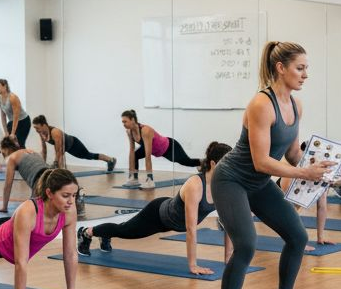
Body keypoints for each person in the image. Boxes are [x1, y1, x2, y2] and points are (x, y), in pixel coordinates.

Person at [210, 41, 333, 289]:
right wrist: (304, 174)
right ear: (281, 68)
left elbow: (291, 153)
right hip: (232, 180)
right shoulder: (261, 105)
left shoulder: (296, 105)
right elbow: (261, 160)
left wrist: (319, 171)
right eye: (300, 68)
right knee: (246, 245)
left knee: (296, 236)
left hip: (259, 183)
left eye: (307, 68)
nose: (306, 74)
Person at [78, 142, 231, 275]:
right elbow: (191, 229)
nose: (230, 168)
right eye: (226, 163)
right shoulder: (196, 185)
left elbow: (230, 224)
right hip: (157, 215)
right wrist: (193, 265)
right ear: (212, 163)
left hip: (172, 221)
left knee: (122, 230)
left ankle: (105, 234)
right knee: (124, 231)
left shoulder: (224, 186)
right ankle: (87, 232)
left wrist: (228, 258)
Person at [119, 109, 200, 190]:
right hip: (156, 150)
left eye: (125, 121)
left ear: (132, 119)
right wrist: (131, 173)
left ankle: (201, 162)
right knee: (135, 155)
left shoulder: (145, 130)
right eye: (122, 122)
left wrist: (150, 177)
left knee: (186, 162)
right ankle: (134, 178)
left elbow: (148, 156)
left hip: (169, 147)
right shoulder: (129, 132)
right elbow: (131, 151)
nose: (123, 124)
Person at [32, 115, 116, 172]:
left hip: (74, 144)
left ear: (44, 125)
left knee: (88, 155)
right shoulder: (41, 133)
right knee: (59, 160)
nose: (36, 130)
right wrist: (43, 164)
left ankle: (110, 160)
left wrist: (55, 163)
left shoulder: (55, 132)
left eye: (37, 128)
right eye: (35, 128)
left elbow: (59, 150)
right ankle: (61, 176)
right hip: (66, 148)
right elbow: (44, 149)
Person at [0, 136, 52, 214]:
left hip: (41, 181)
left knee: (31, 212)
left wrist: (4, 207)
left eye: (3, 152)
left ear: (6, 149)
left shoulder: (11, 158)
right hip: (53, 175)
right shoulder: (31, 151)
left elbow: (8, 185)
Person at [0, 79, 31, 148]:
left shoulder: (13, 98)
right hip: (12, 121)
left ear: (5, 86)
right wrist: (5, 132)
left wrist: (12, 133)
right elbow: (3, 116)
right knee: (8, 144)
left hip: (23, 122)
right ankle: (11, 159)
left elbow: (16, 116)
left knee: (19, 145)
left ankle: (23, 157)